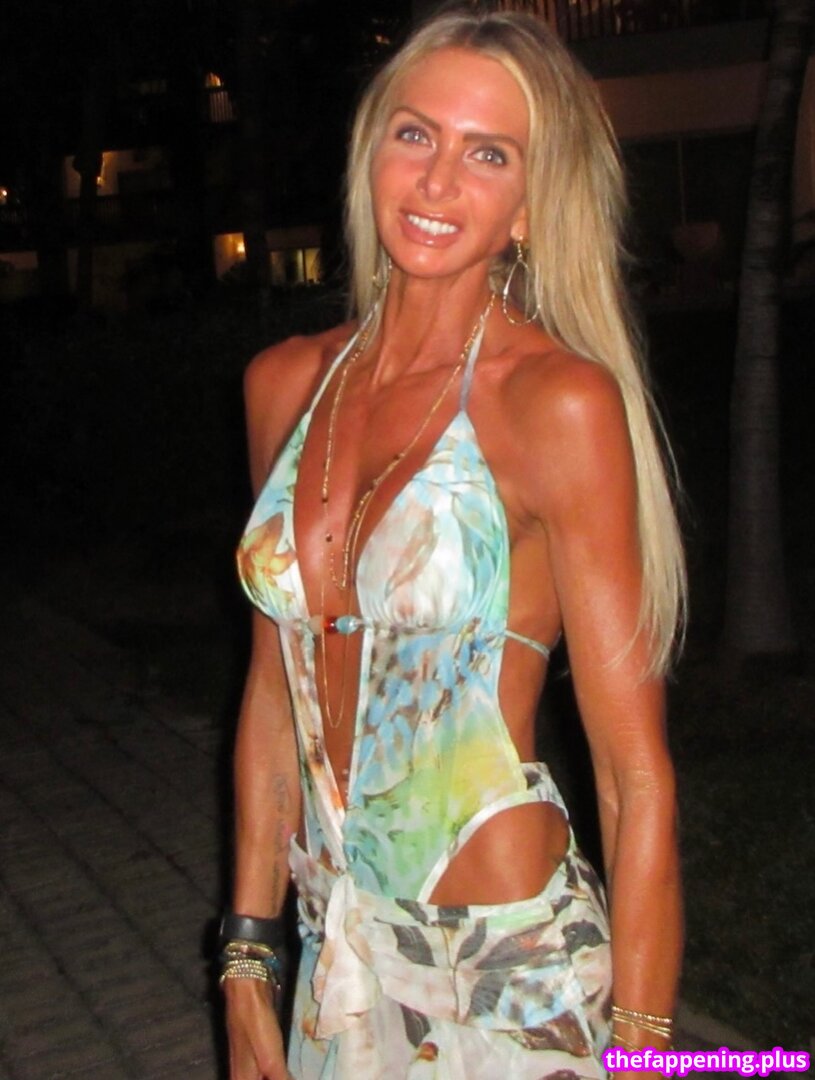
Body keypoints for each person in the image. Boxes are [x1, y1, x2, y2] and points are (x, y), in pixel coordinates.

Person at [220, 9, 685, 1079]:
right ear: (371, 151)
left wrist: (646, 1054)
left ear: (528, 204)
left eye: (488, 154)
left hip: (506, 975)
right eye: (415, 134)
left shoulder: (552, 403)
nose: (436, 181)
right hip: (336, 953)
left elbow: (633, 777)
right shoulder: (283, 384)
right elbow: (271, 699)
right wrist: (246, 962)